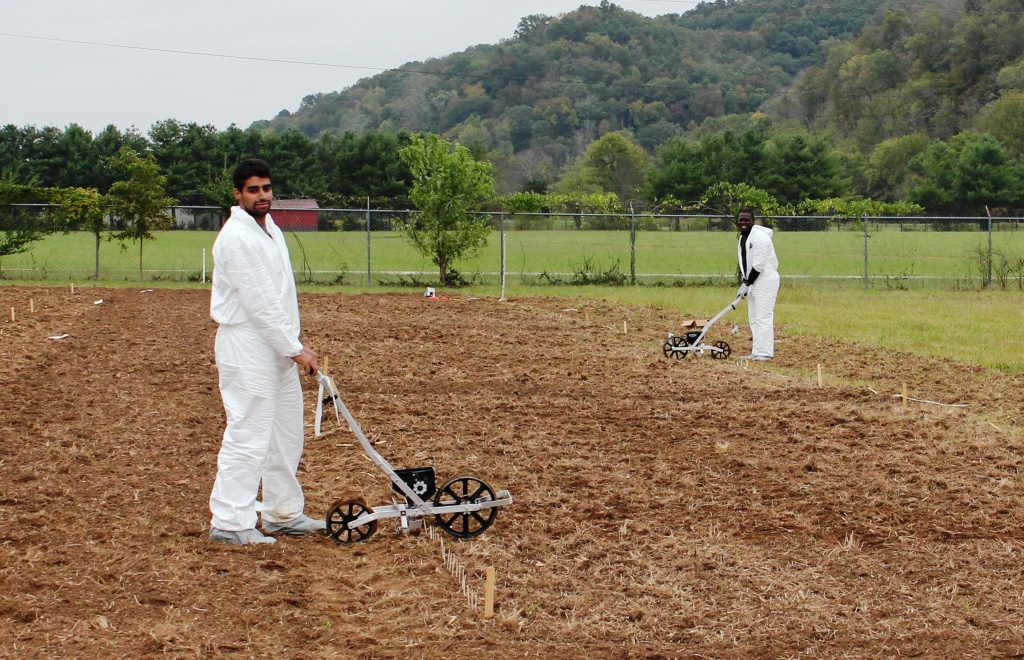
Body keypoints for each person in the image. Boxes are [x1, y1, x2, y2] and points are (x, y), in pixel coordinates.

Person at [208, 158, 326, 545]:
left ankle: (282, 513)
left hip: (277, 345)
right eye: (253, 190)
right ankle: (229, 522)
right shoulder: (236, 237)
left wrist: (291, 344)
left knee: (285, 433)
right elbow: (258, 301)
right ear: (238, 194)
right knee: (249, 432)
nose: (262, 196)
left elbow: (280, 297)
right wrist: (295, 349)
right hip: (246, 344)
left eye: (266, 188)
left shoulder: (269, 227)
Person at [735, 207, 780, 361]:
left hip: (765, 280)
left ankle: (766, 353)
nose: (743, 222)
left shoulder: (759, 237)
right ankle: (757, 350)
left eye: (746, 219)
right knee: (753, 318)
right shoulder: (743, 237)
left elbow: (759, 264)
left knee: (763, 317)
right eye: (741, 219)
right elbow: (747, 264)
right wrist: (745, 283)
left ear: (753, 221)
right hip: (754, 281)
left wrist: (747, 283)